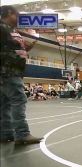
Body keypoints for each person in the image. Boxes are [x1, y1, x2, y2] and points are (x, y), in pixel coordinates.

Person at [0, 5, 42, 144]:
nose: (19, 18)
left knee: (5, 103)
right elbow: (7, 51)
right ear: (9, 13)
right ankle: (22, 134)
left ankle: (5, 133)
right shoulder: (1, 28)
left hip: (13, 70)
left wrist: (26, 48)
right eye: (17, 15)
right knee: (19, 99)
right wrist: (17, 55)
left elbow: (13, 47)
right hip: (7, 71)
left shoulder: (12, 30)